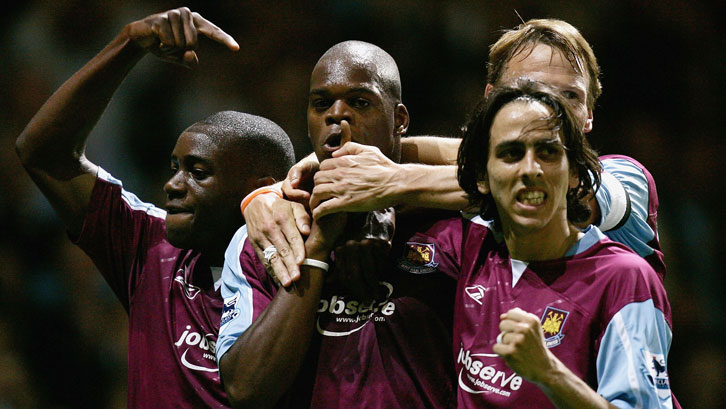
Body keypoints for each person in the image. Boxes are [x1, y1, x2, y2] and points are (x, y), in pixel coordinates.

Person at [242, 18, 666, 290]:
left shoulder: (625, 180)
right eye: (528, 91)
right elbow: (479, 160)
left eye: (569, 96)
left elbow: (560, 188)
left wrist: (388, 181)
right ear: (490, 103)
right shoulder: (471, 208)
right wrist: (275, 194)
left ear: (589, 114)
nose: (547, 110)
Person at [15, 8, 296, 408]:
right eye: (175, 168)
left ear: (261, 190)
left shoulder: (307, 268)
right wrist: (127, 45)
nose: (173, 184)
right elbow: (43, 153)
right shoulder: (151, 248)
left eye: (198, 172)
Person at [217, 40, 459, 409]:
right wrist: (316, 251)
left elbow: (537, 177)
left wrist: (383, 192)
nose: (337, 115)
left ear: (400, 120)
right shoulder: (268, 232)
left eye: (360, 102)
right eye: (321, 104)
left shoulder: (453, 225)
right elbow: (245, 390)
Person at [442, 78, 675, 408]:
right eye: (511, 154)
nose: (531, 169)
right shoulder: (471, 249)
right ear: (482, 176)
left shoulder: (624, 279)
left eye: (548, 152)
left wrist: (549, 373)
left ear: (575, 174)